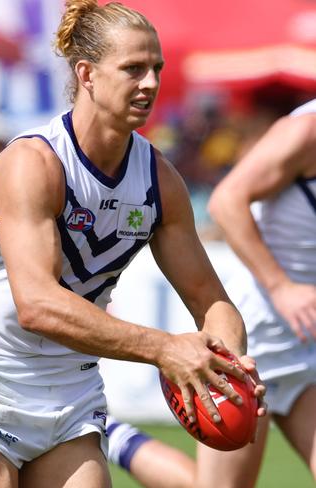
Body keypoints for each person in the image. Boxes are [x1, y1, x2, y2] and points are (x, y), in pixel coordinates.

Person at [0, 2, 264, 487]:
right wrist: (166, 349)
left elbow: (212, 301)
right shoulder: (33, 163)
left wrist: (228, 369)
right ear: (86, 74)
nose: (150, 83)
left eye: (156, 69)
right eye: (133, 69)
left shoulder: (159, 181)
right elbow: (38, 306)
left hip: (71, 397)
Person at [107, 98, 316, 488]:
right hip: (260, 334)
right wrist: (282, 288)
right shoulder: (306, 131)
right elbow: (226, 202)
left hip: (308, 341)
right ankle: (114, 437)